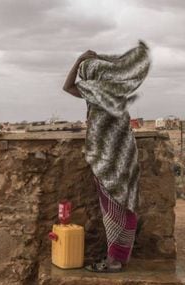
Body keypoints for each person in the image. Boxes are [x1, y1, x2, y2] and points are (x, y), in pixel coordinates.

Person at [63, 41, 150, 272]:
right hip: (126, 152)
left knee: (112, 208)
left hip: (107, 157)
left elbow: (67, 86)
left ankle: (113, 261)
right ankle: (119, 257)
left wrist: (79, 60)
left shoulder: (93, 91)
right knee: (125, 204)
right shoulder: (115, 89)